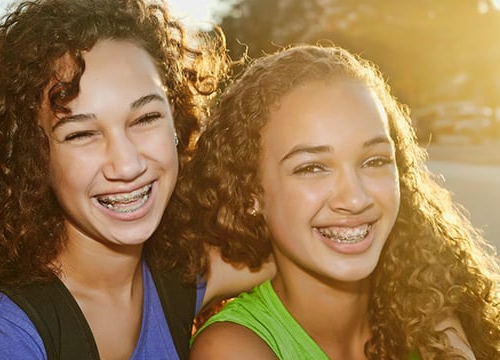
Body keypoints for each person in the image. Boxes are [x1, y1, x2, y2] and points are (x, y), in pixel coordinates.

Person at [0, 0, 273, 359]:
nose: (127, 165)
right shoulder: (3, 334)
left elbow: (297, 243)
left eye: (146, 118)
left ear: (177, 123)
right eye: (81, 134)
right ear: (33, 158)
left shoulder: (174, 274)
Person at [170, 44, 500, 359]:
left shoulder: (430, 312)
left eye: (374, 161)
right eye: (312, 168)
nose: (355, 198)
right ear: (251, 194)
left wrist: (444, 327)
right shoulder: (231, 348)